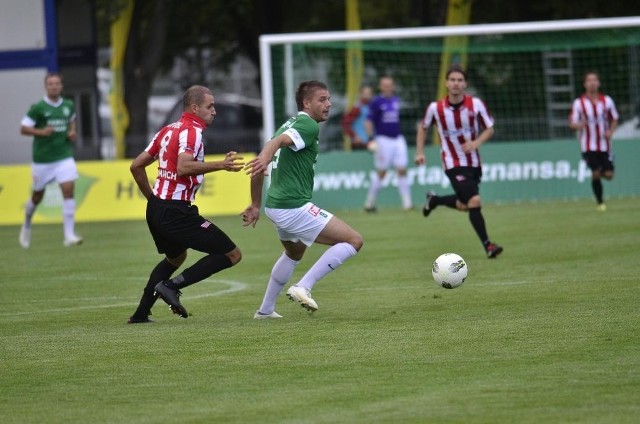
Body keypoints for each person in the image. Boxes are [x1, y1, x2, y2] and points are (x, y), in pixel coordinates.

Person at [242, 80, 363, 319]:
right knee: (353, 240)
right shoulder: (308, 125)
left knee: (294, 253)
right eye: (322, 100)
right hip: (292, 206)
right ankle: (303, 286)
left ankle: (265, 311)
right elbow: (273, 147)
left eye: (328, 99)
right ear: (306, 103)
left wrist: (256, 204)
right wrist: (266, 158)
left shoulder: (289, 124)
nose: (328, 104)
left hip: (275, 207)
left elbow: (264, 154)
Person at [127, 85, 245, 324]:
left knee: (175, 258)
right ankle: (170, 286)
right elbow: (184, 166)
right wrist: (221, 165)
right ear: (195, 107)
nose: (215, 111)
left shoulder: (168, 130)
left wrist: (153, 199)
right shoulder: (192, 132)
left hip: (158, 208)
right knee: (231, 254)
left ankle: (141, 314)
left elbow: (136, 166)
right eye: (210, 106)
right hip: (176, 210)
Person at [414, 64, 503, 259]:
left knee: (467, 206)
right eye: (452, 80)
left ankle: (435, 200)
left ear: (465, 84)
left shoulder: (476, 104)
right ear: (446, 83)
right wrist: (420, 152)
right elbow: (423, 127)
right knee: (475, 201)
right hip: (452, 162)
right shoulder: (435, 108)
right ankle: (488, 246)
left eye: (460, 80)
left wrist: (476, 142)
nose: (456, 83)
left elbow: (490, 128)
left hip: (474, 163)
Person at [19, 72, 82, 248]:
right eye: (50, 84)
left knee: (68, 191)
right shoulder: (38, 107)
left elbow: (72, 121)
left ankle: (69, 235)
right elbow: (23, 129)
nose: (54, 86)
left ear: (61, 86)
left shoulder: (68, 105)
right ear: (46, 87)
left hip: (63, 156)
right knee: (37, 196)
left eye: (57, 83)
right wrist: (41, 132)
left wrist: (72, 132)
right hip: (43, 160)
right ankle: (27, 223)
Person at [569, 71, 619, 211]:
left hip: (604, 145)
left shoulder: (607, 101)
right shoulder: (579, 103)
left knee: (609, 175)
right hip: (588, 145)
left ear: (598, 83)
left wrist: (610, 131)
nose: (592, 83)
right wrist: (579, 125)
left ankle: (597, 173)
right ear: (585, 84)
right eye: (589, 80)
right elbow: (572, 123)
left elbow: (614, 118)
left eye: (594, 80)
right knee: (596, 172)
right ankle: (600, 202)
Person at [363, 76, 413, 212]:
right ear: (380, 87)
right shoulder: (376, 102)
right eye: (385, 85)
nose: (388, 87)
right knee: (382, 172)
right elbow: (368, 121)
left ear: (393, 86)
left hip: (398, 139)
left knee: (402, 169)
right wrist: (370, 138)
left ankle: (407, 204)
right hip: (383, 140)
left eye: (390, 85)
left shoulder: (396, 100)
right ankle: (370, 203)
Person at [341, 84, 373, 150]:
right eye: (365, 94)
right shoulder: (357, 108)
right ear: (360, 94)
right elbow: (345, 123)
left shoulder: (372, 107)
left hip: (371, 143)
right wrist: (354, 136)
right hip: (360, 143)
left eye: (369, 94)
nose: (367, 96)